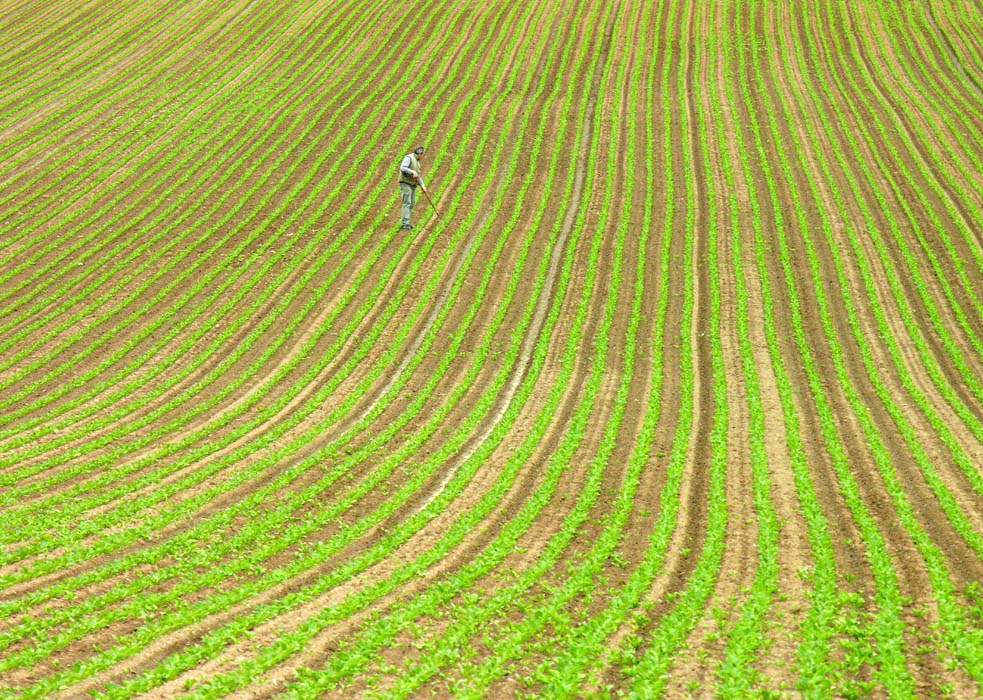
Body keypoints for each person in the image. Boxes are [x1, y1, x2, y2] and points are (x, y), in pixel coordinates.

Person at [398, 146, 428, 230]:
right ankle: (405, 224)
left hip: (412, 184)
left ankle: (407, 222)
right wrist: (412, 172)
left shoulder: (417, 162)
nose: (423, 156)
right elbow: (403, 168)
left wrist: (422, 186)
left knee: (412, 203)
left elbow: (418, 175)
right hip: (405, 183)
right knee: (407, 202)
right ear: (419, 153)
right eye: (423, 154)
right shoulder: (409, 158)